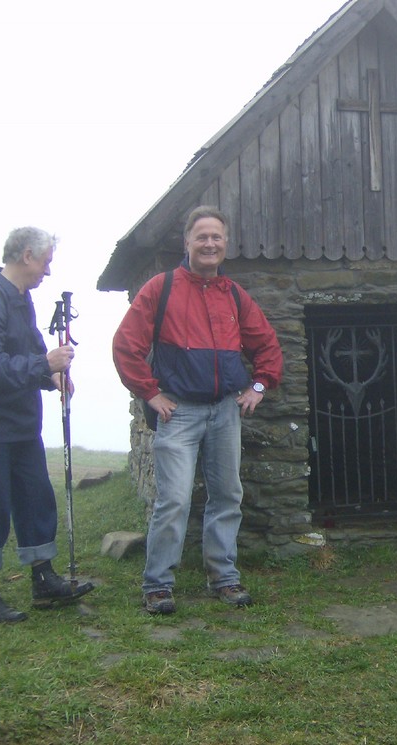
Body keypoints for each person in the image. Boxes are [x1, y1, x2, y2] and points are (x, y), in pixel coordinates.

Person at [112, 205, 283, 615]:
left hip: (225, 410)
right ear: (186, 242)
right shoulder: (161, 288)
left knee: (227, 496)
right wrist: (150, 393)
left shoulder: (235, 296)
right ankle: (157, 585)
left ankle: (223, 577)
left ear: (226, 243)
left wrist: (259, 386)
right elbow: (126, 345)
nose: (209, 244)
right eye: (202, 236)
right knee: (173, 500)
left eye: (216, 237)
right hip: (179, 412)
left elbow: (267, 345)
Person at [0, 227, 95, 623]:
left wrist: (51, 376)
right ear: (27, 255)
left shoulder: (20, 300)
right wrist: (43, 364)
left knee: (35, 497)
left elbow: (28, 352)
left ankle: (43, 579)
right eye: (46, 262)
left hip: (20, 425)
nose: (48, 271)